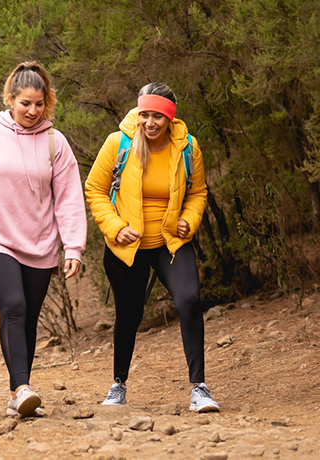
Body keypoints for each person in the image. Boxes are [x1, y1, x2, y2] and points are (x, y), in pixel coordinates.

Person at [0, 61, 87, 417]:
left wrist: (73, 246)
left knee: (27, 318)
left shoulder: (56, 142)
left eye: (39, 104)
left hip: (40, 244)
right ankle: (22, 388)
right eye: (25, 103)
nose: (32, 110)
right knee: (13, 305)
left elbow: (69, 197)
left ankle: (16, 393)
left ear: (48, 102)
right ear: (10, 99)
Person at [84, 82, 219, 412]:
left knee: (188, 300)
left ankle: (199, 388)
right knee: (129, 314)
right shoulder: (119, 143)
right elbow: (95, 189)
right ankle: (118, 384)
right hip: (126, 247)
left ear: (170, 118)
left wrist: (190, 218)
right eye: (145, 114)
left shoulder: (187, 147)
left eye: (158, 116)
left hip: (170, 241)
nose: (150, 122)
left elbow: (198, 192)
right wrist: (115, 228)